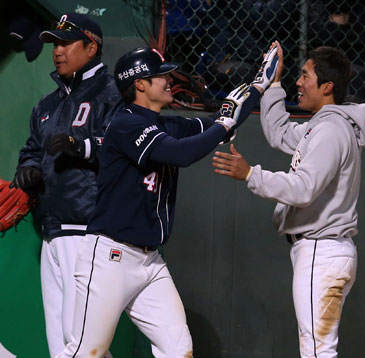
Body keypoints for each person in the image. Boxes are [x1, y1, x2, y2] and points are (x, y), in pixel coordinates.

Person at [54, 45, 278, 358]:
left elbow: (221, 122)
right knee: (85, 353)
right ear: (140, 84)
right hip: (110, 258)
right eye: (159, 75)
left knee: (178, 349)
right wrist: (222, 126)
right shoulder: (125, 124)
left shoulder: (167, 124)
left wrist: (259, 85)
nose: (168, 79)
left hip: (149, 262)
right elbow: (182, 153)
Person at [212, 42, 365, 358]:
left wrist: (250, 174)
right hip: (324, 250)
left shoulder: (330, 131)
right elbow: (279, 133)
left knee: (317, 351)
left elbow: (303, 189)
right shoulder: (325, 125)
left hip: (320, 250)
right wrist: (273, 84)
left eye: (305, 75)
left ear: (327, 87)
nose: (298, 82)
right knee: (319, 349)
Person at [9, 13, 122, 357]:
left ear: (92, 47)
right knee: (61, 341)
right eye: (53, 44)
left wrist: (83, 148)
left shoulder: (113, 93)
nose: (56, 51)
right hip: (53, 232)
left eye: (65, 43)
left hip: (90, 231)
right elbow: (32, 149)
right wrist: (28, 169)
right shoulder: (48, 104)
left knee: (83, 342)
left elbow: (126, 149)